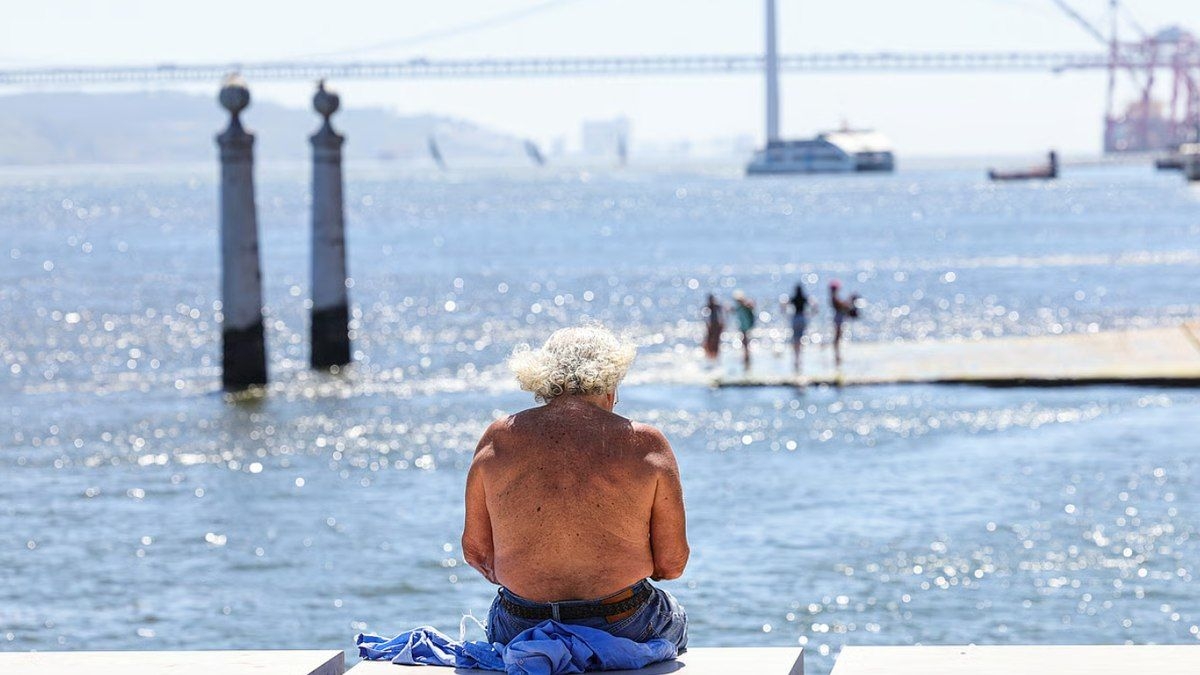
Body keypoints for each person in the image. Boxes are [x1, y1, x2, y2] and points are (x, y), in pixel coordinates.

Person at [462, 324, 689, 652]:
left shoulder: (499, 437)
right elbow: (672, 564)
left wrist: (538, 578)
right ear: (610, 384)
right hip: (623, 623)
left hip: (520, 624)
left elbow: (477, 552)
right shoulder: (645, 443)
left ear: (544, 380)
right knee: (673, 616)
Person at [781, 283, 815, 374]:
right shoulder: (804, 298)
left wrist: (784, 313)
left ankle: (796, 359)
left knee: (795, 339)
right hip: (802, 318)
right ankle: (799, 359)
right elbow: (814, 304)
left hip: (795, 318)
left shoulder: (794, 298)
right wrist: (812, 314)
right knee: (800, 338)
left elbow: (784, 303)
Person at [829, 280, 858, 368]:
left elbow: (843, 305)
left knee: (837, 338)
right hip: (839, 319)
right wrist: (850, 299)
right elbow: (843, 306)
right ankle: (837, 356)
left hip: (838, 318)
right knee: (837, 338)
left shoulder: (834, 297)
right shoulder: (834, 298)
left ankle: (838, 356)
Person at [732, 291, 756, 370]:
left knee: (745, 342)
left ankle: (747, 358)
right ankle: (746, 357)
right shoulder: (740, 306)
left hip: (746, 326)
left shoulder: (745, 305)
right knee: (744, 343)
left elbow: (752, 305)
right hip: (743, 326)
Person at [701, 293, 724, 362]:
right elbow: (705, 318)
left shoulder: (717, 307)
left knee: (715, 342)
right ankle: (710, 359)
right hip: (712, 327)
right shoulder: (709, 307)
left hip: (716, 326)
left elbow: (722, 316)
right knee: (709, 342)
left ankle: (714, 359)